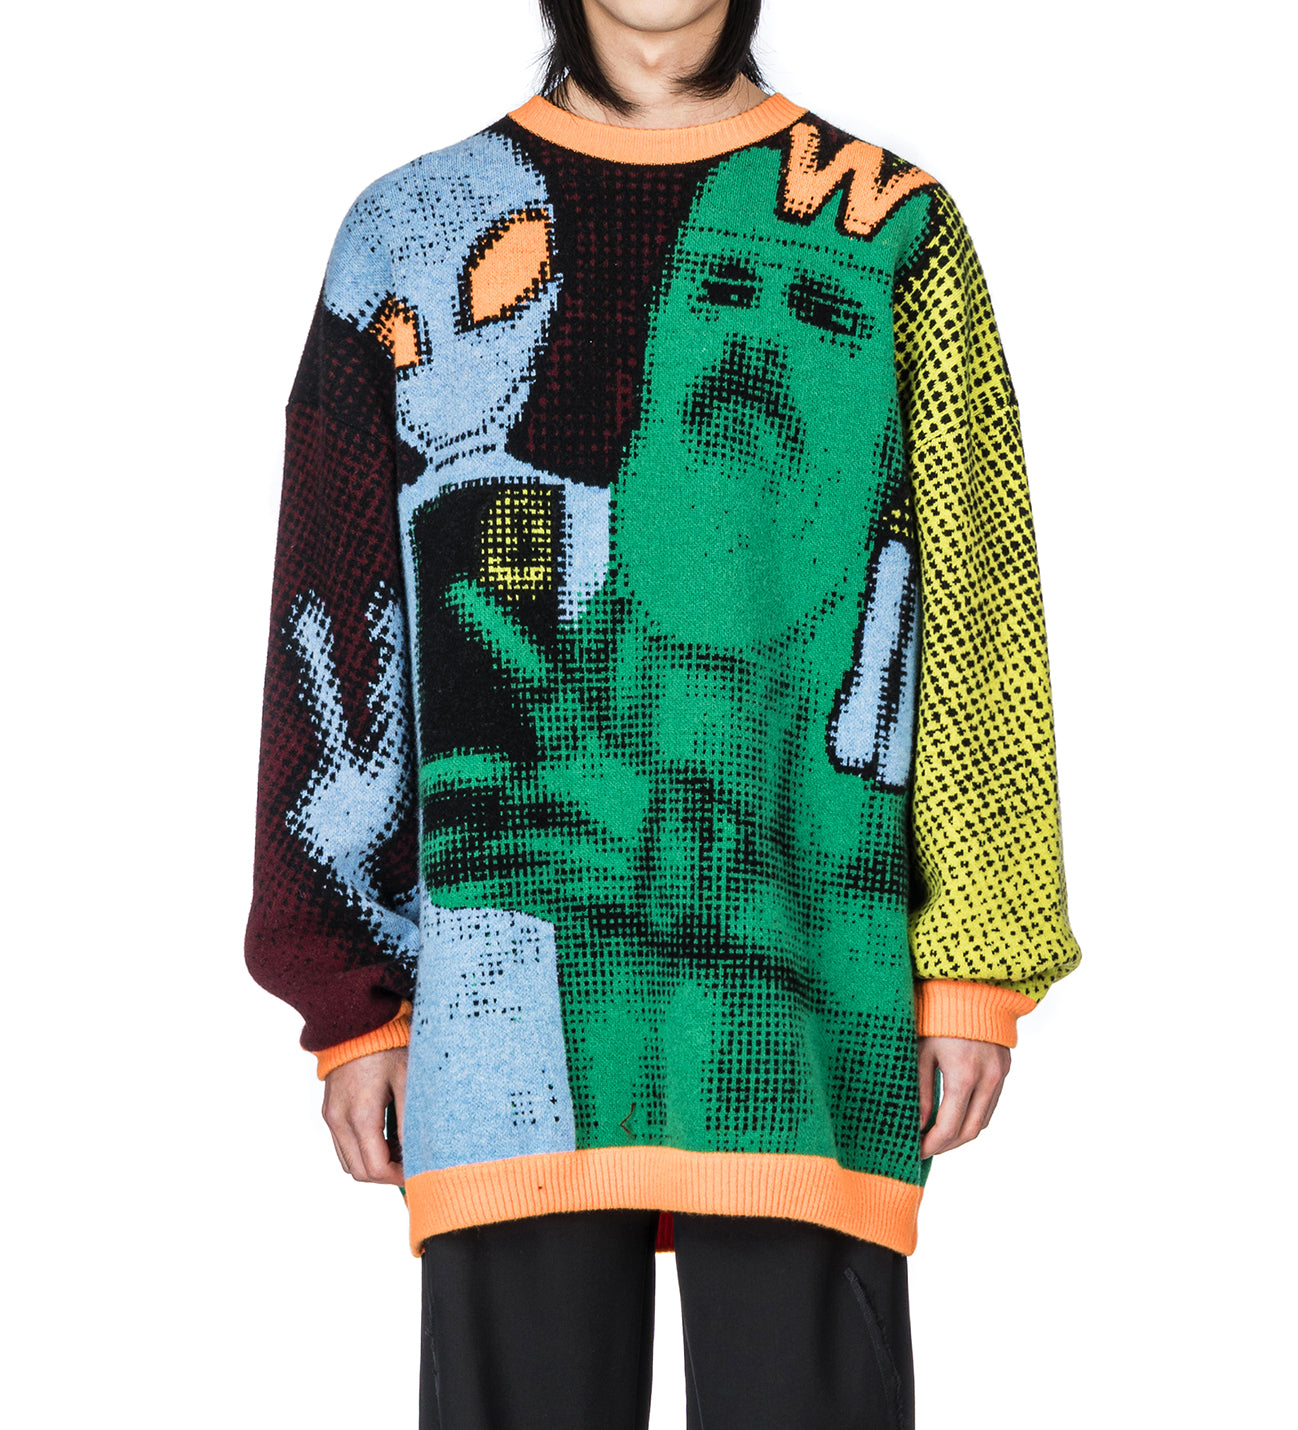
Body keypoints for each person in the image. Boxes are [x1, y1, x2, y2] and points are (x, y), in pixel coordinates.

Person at [245, 2, 1082, 1425]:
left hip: (820, 1009)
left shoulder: (897, 228)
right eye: (726, 298)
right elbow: (329, 606)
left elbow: (982, 601)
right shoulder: (414, 236)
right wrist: (350, 998)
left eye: (806, 317)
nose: (759, 345)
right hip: (496, 1049)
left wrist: (978, 963)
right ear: (660, 346)